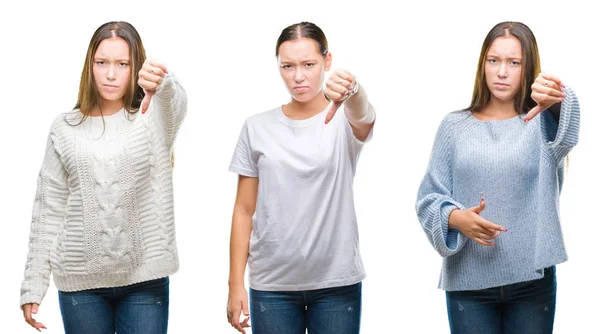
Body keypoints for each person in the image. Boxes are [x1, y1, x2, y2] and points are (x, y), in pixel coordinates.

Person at [19, 21, 187, 333]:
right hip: (80, 284)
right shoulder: (64, 128)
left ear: (135, 66)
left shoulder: (152, 117)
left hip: (144, 281)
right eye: (102, 63)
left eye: (123, 64)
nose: (111, 74)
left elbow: (175, 105)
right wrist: (33, 283)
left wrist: (162, 82)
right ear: (90, 66)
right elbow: (48, 210)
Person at [416, 21, 580, 333]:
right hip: (468, 281)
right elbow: (428, 197)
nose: (501, 72)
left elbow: (568, 134)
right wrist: (455, 218)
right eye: (494, 60)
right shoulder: (453, 127)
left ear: (528, 68)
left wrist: (557, 94)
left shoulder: (542, 123)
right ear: (483, 65)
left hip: (532, 279)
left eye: (513, 63)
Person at [226, 21, 375, 334]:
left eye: (309, 64)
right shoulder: (257, 127)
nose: (298, 76)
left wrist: (353, 90)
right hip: (272, 285)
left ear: (327, 61)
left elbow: (366, 117)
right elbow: (243, 210)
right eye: (288, 66)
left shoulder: (343, 121)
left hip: (336, 282)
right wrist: (235, 284)